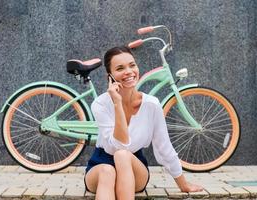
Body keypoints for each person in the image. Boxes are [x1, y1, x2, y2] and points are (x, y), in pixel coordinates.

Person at [84, 46, 203, 199]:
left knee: (122, 155)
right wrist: (117, 104)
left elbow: (164, 147)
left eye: (132, 65)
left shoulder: (151, 104)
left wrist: (183, 185)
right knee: (108, 170)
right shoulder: (100, 104)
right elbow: (117, 145)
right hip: (101, 164)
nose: (128, 71)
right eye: (120, 68)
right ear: (110, 76)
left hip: (134, 166)